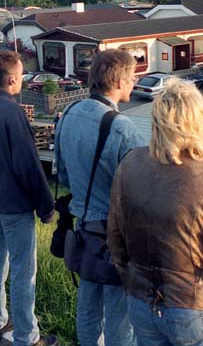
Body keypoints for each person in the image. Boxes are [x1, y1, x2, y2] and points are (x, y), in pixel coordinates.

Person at [108, 79, 203, 346]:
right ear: (198, 122)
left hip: (141, 303)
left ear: (157, 121)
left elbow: (116, 240)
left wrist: (132, 282)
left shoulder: (130, 165)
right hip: (193, 310)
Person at [0, 50, 58, 346]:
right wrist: (46, 206)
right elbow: (28, 165)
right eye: (20, 76)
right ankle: (27, 337)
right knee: (23, 272)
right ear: (11, 79)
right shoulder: (12, 112)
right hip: (13, 205)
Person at [55, 49, 146, 346]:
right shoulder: (122, 128)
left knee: (88, 302)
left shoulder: (68, 113)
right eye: (132, 78)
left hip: (83, 228)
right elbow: (141, 194)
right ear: (119, 82)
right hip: (115, 233)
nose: (134, 84)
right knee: (119, 312)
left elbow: (63, 175)